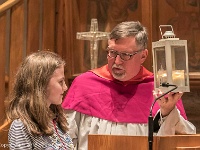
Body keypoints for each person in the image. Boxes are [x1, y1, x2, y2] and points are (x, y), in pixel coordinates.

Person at [62, 21, 196, 150]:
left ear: (143, 56)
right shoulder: (85, 84)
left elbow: (182, 141)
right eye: (112, 53)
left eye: (125, 55)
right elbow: (65, 139)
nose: (117, 61)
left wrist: (167, 113)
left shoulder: (160, 89)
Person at [7, 51, 74, 149]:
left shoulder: (57, 119)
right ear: (42, 85)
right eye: (60, 82)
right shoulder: (21, 127)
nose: (65, 87)